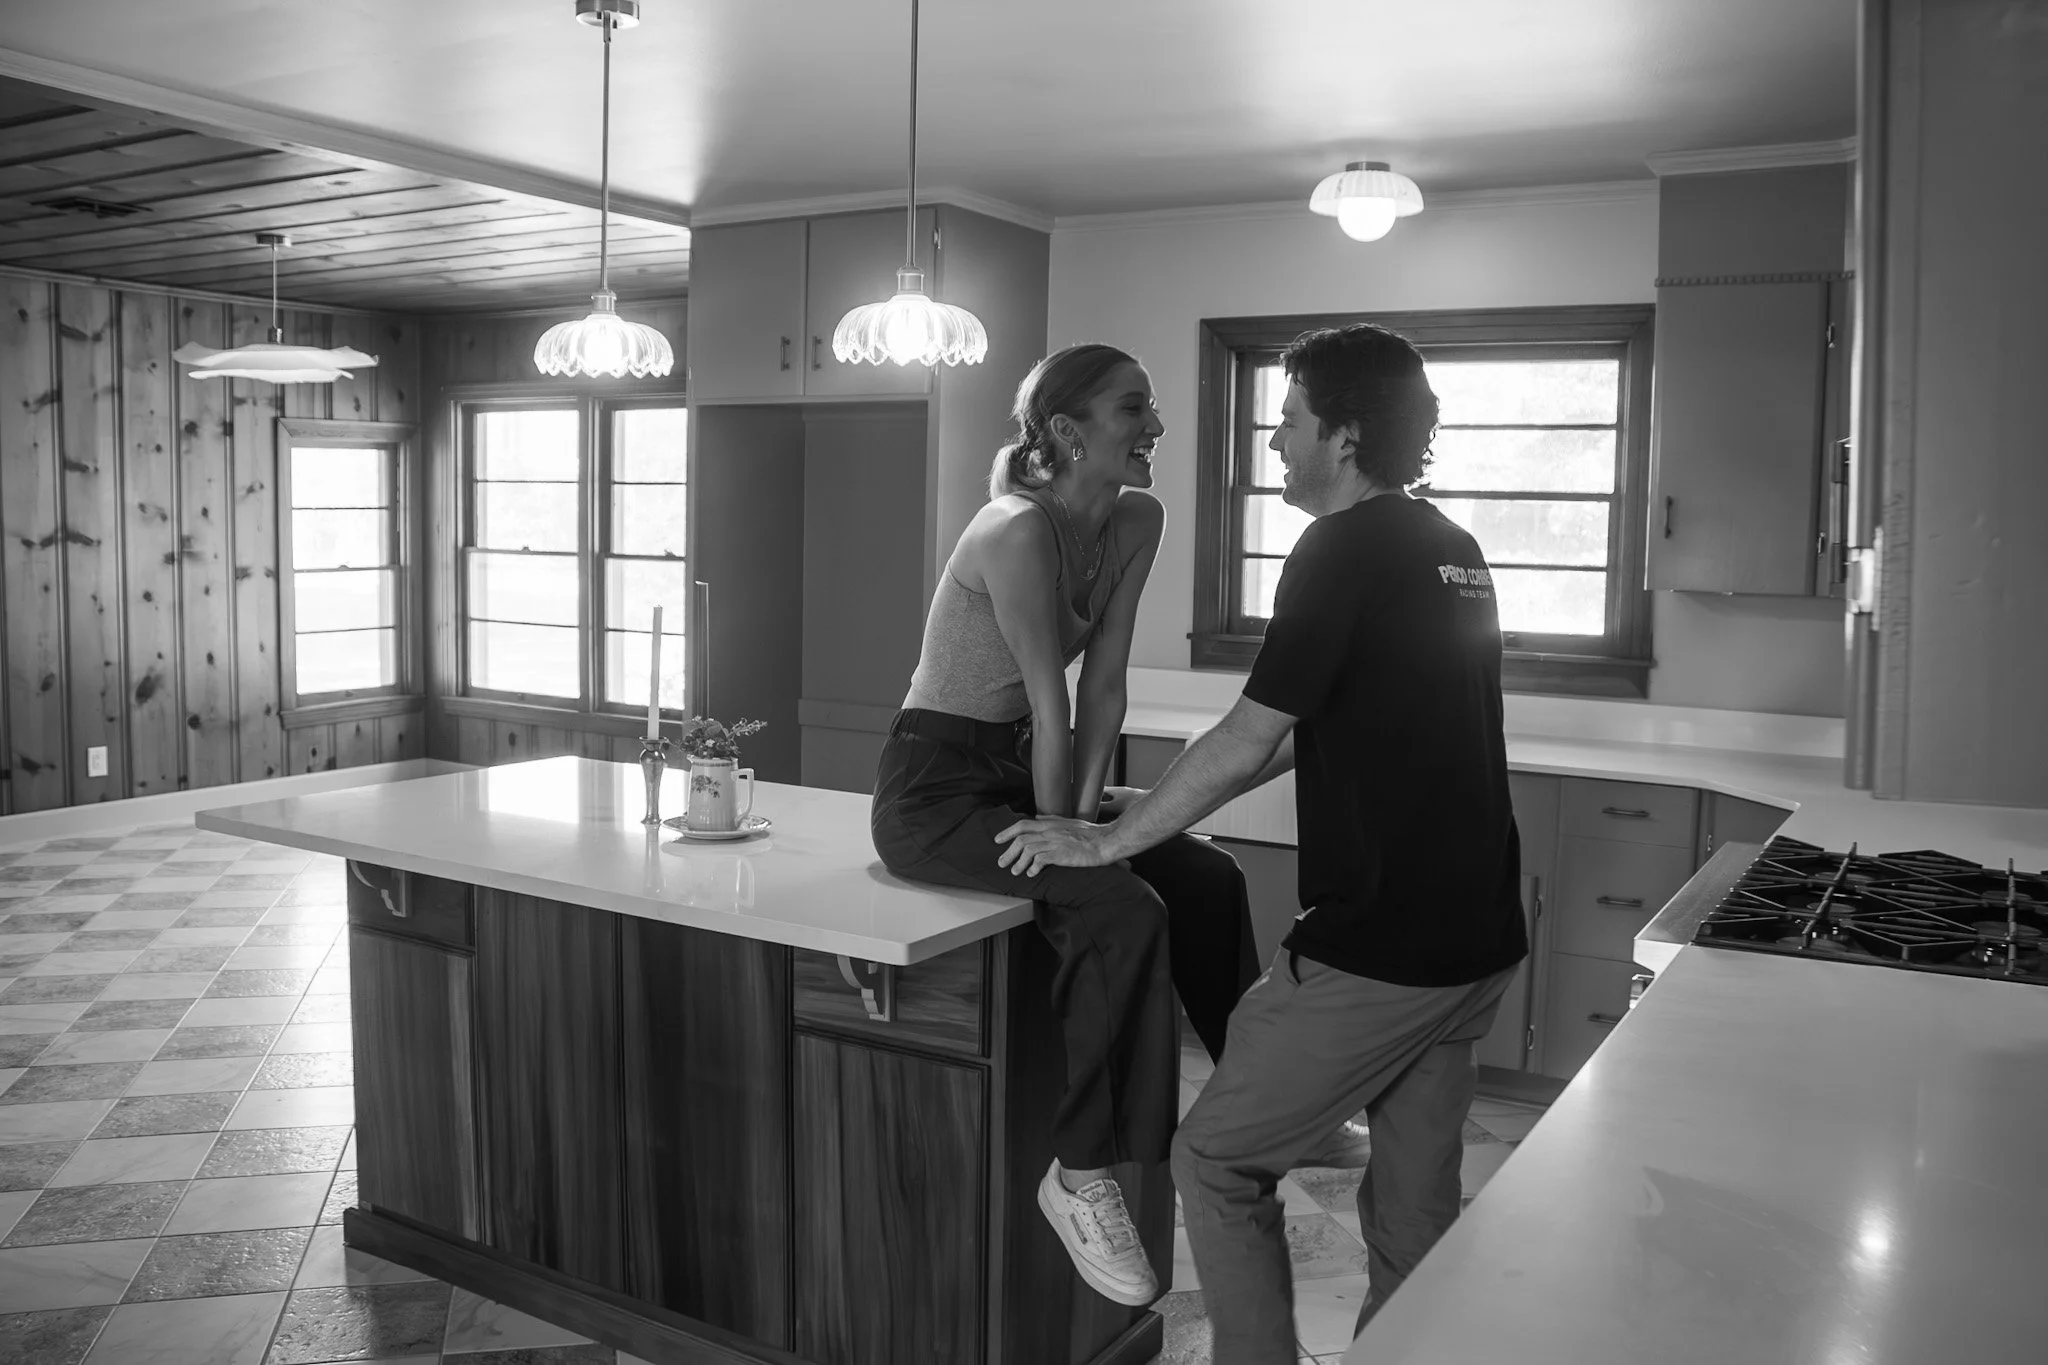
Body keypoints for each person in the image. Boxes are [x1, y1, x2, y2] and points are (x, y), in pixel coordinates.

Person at [995, 323, 1528, 1361]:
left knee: (1217, 1161)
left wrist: (1106, 844)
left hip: (1384, 947)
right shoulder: (1443, 547)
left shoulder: (1340, 548)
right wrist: (1148, 808)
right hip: (1477, 944)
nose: (1275, 442)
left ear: (1339, 432)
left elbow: (1249, 734)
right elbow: (1327, 720)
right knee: (1413, 1207)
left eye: (1286, 421)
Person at [870, 343, 1260, 1308]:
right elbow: (1051, 701)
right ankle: (1080, 1171)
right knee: (1121, 905)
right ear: (1065, 432)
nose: (1157, 428)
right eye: (1136, 410)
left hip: (1011, 768)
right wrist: (1077, 837)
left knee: (1208, 879)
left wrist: (1086, 820)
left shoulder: (1136, 518)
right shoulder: (1013, 529)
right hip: (934, 786)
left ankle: (1258, 1103)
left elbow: (1107, 689)